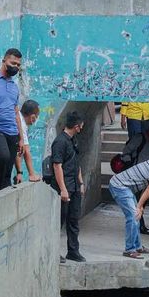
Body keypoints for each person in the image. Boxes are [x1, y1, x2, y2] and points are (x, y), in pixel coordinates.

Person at [0, 48, 23, 193]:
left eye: (19, 65)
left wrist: (21, 138)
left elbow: (16, 113)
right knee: (3, 156)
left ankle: (2, 192)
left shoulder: (14, 87)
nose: (16, 67)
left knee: (8, 166)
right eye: (13, 63)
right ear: (4, 61)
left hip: (12, 130)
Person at [51, 111, 86, 263]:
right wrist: (63, 189)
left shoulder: (73, 140)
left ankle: (73, 251)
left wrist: (81, 182)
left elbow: (76, 162)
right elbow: (57, 166)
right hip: (65, 187)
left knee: (73, 220)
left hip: (75, 186)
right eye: (81, 126)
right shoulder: (60, 141)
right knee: (59, 221)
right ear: (77, 126)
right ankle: (53, 251)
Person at [13, 100, 42, 184]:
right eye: (37, 116)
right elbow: (25, 151)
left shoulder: (21, 121)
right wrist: (32, 174)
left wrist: (19, 172)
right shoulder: (21, 124)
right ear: (32, 117)